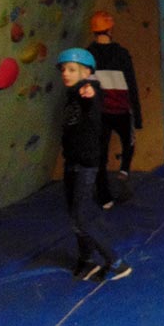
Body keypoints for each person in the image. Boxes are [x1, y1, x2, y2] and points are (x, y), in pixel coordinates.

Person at [57, 48, 133, 282]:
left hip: (86, 164)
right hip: (72, 161)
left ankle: (116, 261)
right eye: (64, 70)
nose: (66, 74)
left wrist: (91, 88)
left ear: (87, 72)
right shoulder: (71, 94)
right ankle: (87, 259)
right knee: (74, 215)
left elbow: (93, 93)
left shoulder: (88, 90)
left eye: (72, 69)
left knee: (81, 217)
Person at [87, 10, 142, 209]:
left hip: (99, 112)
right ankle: (124, 170)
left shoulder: (88, 55)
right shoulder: (121, 53)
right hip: (120, 109)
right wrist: (138, 115)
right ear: (110, 29)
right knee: (129, 141)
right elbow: (131, 84)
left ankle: (105, 198)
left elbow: (84, 86)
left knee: (100, 155)